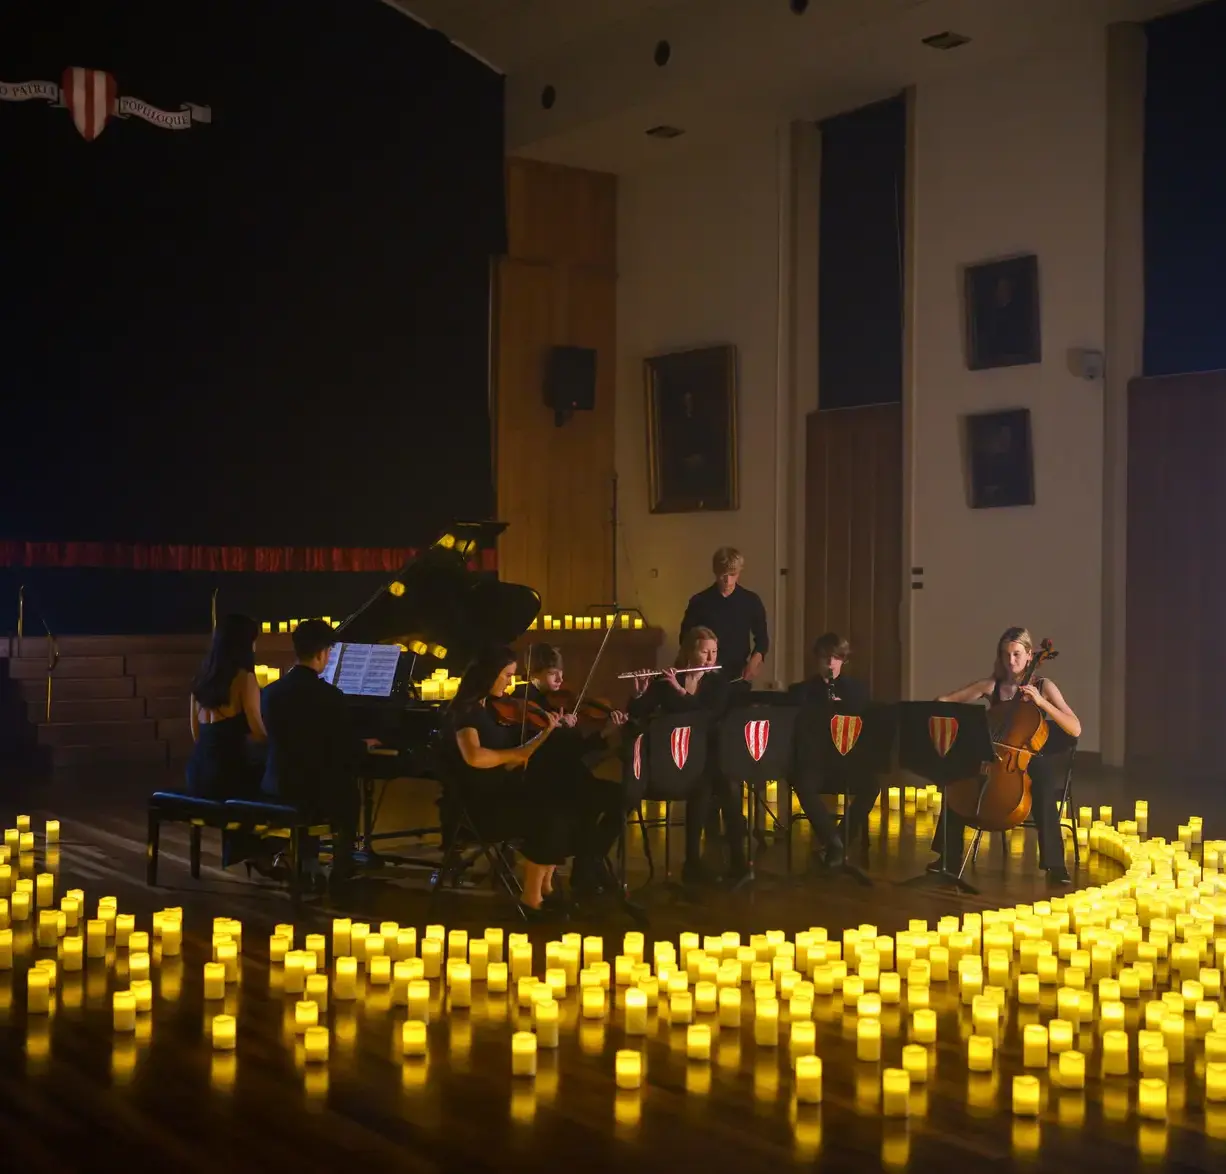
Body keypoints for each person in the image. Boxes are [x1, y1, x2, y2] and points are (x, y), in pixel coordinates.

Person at [441, 645, 596, 921]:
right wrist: (516, 754)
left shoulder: (489, 709)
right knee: (550, 816)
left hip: (503, 790)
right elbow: (474, 756)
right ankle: (532, 899)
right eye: (507, 675)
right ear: (488, 675)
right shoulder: (464, 713)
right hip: (480, 804)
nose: (511, 683)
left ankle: (545, 886)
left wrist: (546, 734)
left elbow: (515, 760)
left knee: (566, 805)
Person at [930, 626, 1081, 886]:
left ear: (1030, 654)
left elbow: (1075, 727)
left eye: (1017, 655)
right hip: (993, 752)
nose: (1011, 661)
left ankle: (1055, 865)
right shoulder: (992, 685)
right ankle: (949, 857)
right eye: (1005, 655)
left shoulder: (1043, 686)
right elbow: (944, 700)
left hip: (1029, 756)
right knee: (958, 780)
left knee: (1044, 786)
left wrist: (1041, 702)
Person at [509, 643, 630, 896]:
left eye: (560, 673)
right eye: (554, 673)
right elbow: (541, 753)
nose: (561, 679)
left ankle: (589, 860)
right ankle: (586, 867)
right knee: (592, 804)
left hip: (570, 777)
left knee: (622, 798)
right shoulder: (524, 705)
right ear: (535, 674)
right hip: (549, 783)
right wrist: (554, 729)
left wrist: (606, 732)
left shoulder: (553, 704)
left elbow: (576, 751)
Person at [627, 625, 745, 885]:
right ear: (689, 652)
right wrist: (640, 692)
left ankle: (732, 862)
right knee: (705, 783)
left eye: (714, 652)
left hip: (707, 756)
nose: (711, 659)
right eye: (705, 652)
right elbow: (638, 712)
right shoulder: (667, 680)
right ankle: (695, 862)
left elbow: (708, 715)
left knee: (725, 785)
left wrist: (681, 692)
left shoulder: (717, 683)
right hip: (672, 758)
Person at [260, 618, 371, 891]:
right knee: (346, 789)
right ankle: (342, 863)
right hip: (311, 793)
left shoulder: (271, 692)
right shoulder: (329, 695)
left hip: (276, 784)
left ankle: (309, 859)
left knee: (326, 777)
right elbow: (344, 747)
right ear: (323, 653)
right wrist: (365, 745)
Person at [185, 613, 270, 871]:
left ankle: (247, 851)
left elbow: (196, 734)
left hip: (198, 773)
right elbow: (258, 732)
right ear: (245, 645)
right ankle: (261, 852)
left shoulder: (200, 680)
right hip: (227, 775)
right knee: (271, 779)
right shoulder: (244, 679)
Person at [788, 632, 879, 869]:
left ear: (843, 661)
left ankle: (839, 840)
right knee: (803, 785)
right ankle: (834, 843)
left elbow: (865, 724)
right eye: (825, 658)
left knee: (871, 785)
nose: (830, 664)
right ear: (817, 659)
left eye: (836, 658)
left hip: (845, 761)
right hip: (815, 761)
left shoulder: (857, 690)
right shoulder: (801, 691)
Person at [679, 547, 769, 688]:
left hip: (738, 674)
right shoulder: (699, 602)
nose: (727, 580)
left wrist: (754, 661)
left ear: (739, 572)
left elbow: (762, 639)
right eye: (723, 575)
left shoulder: (751, 601)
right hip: (706, 676)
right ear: (715, 572)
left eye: (733, 574)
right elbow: (685, 638)